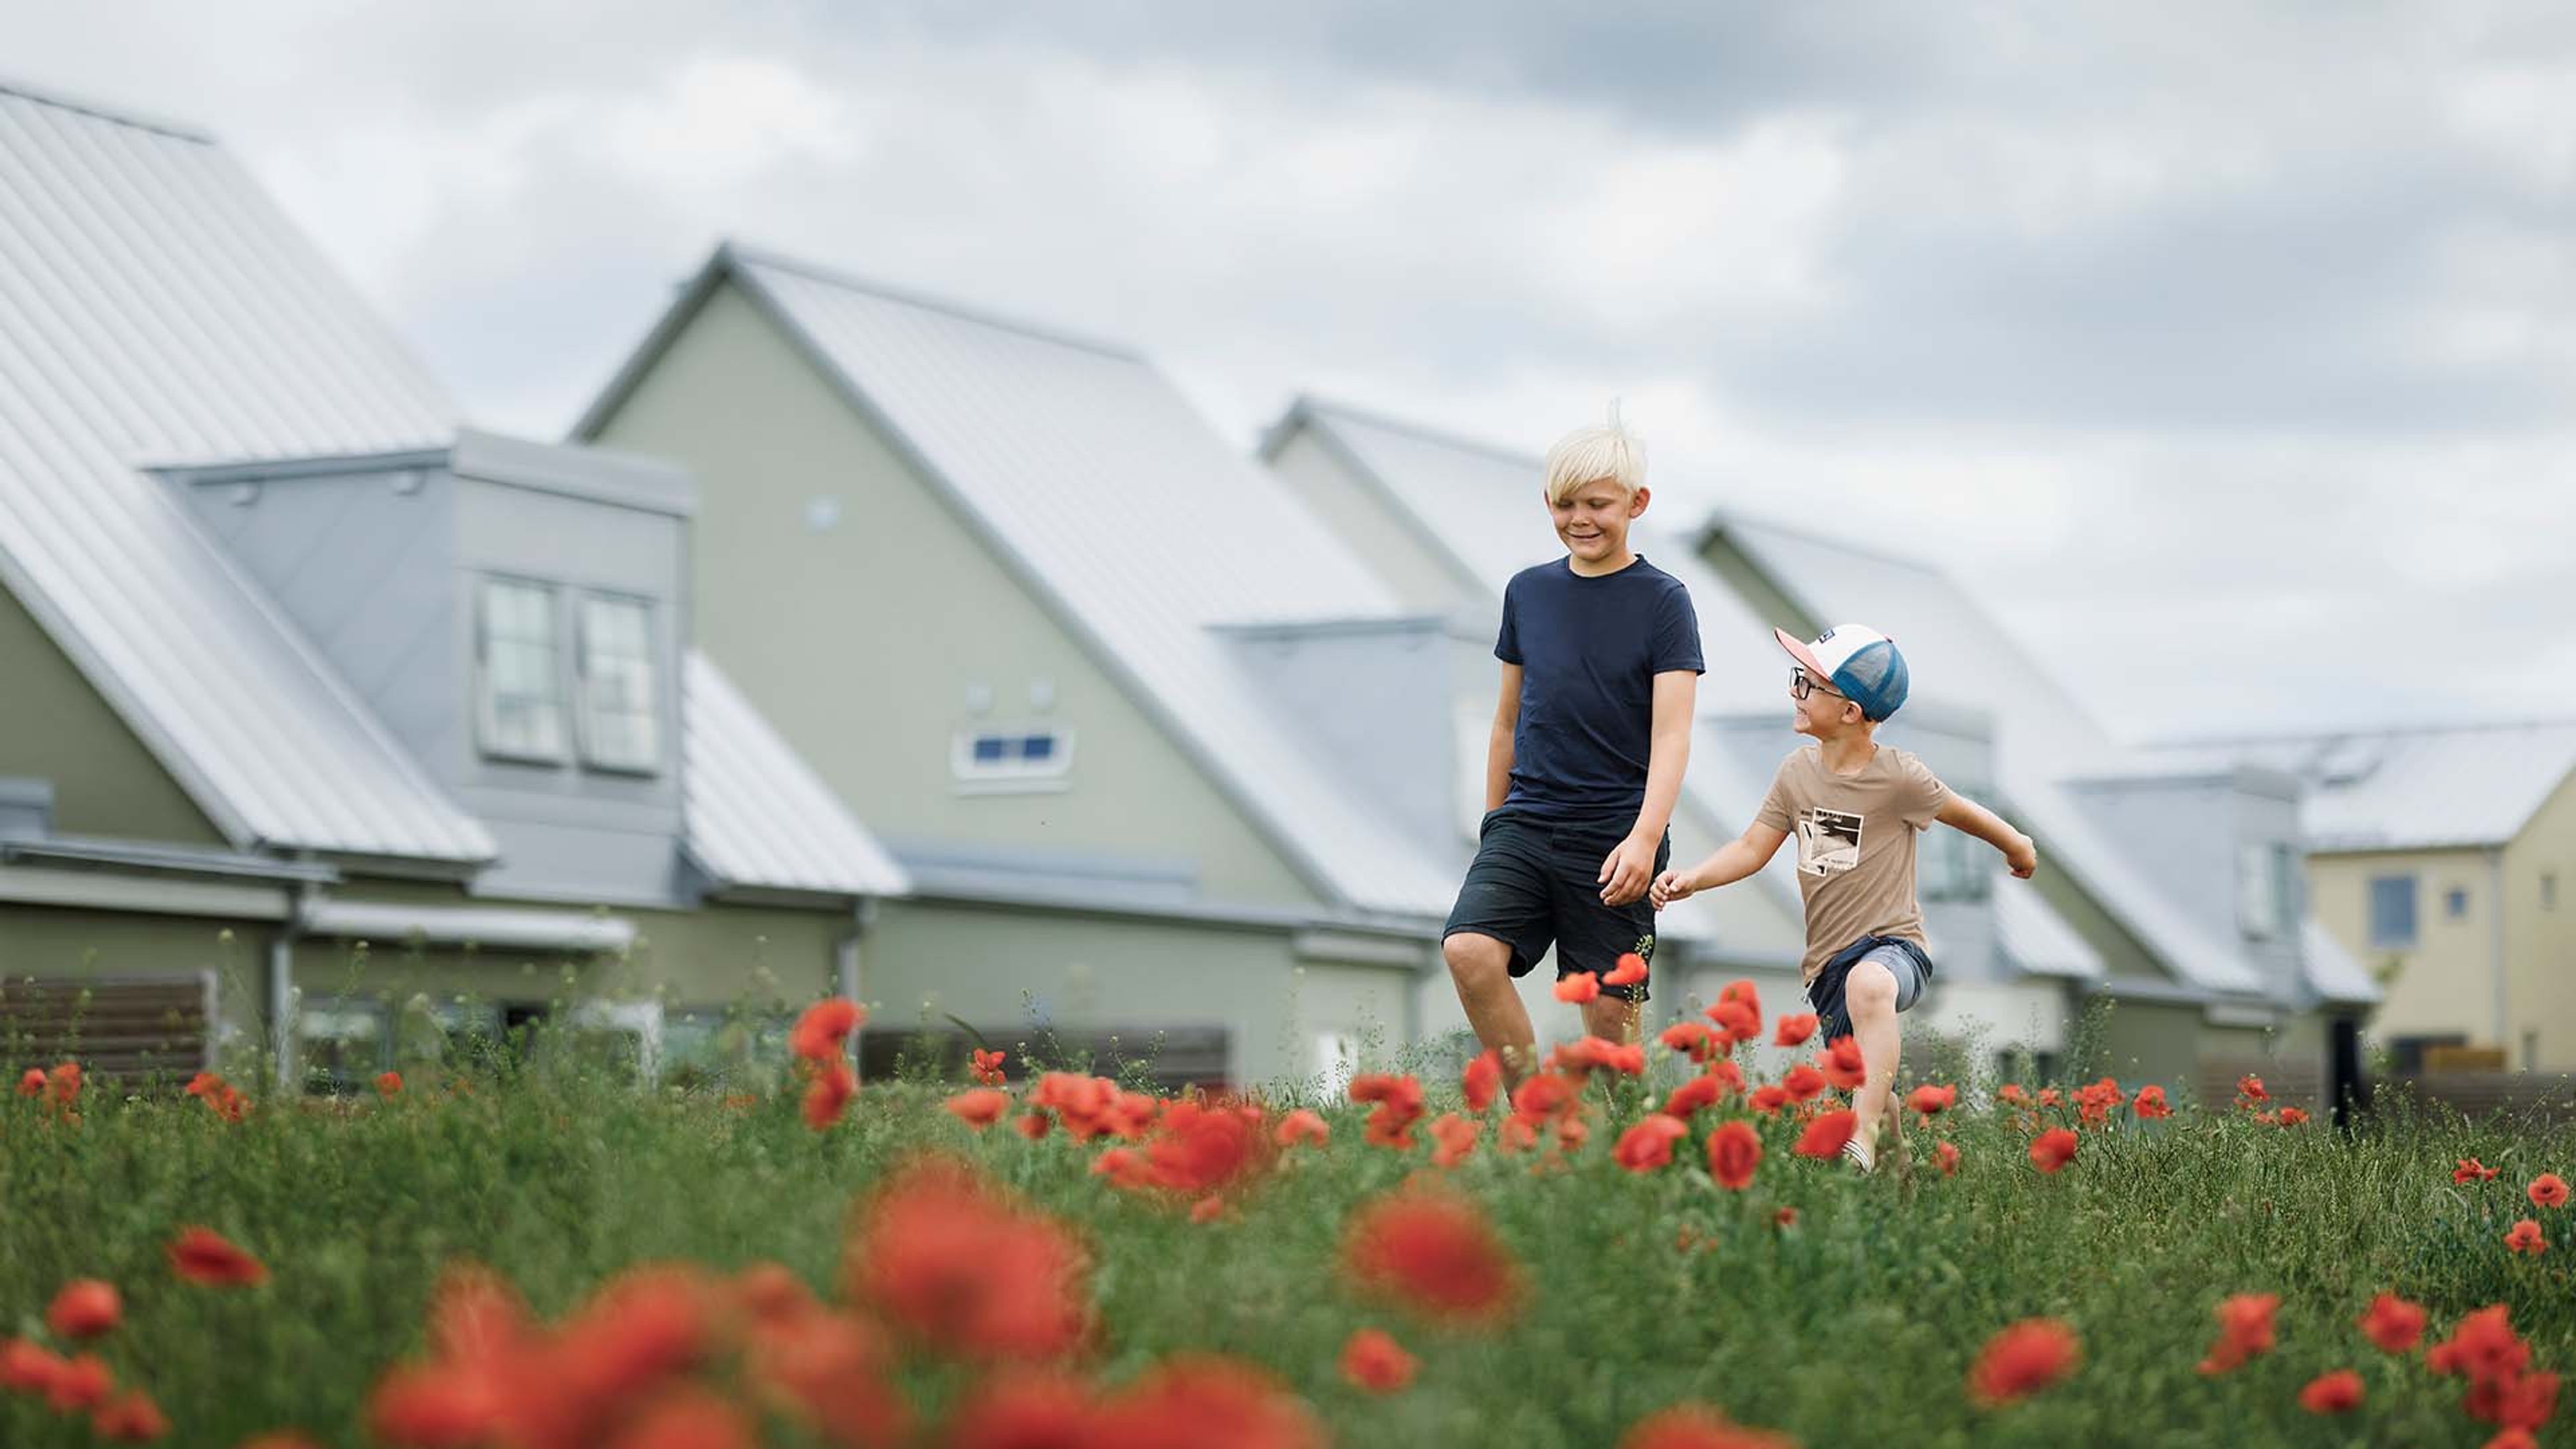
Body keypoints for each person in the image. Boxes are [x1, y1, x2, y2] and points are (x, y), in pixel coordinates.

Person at [1651, 624, 2038, 1171]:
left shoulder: (1899, 776)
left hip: (1894, 949)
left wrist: (2018, 846)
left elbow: (1963, 811)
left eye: (1807, 684)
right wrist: (1693, 878)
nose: (1794, 691)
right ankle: (1901, 1178)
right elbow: (1751, 847)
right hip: (1827, 967)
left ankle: (1863, 1136)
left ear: (1852, 711)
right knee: (1863, 1081)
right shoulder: (1796, 774)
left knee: (1870, 985)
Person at [1440, 405, 1701, 1087]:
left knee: (1611, 1028)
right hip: (1525, 822)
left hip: (1616, 834)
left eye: (1597, 504)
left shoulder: (1664, 601)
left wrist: (1645, 839)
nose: (1579, 519)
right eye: (1563, 505)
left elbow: (1672, 733)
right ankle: (1542, 1118)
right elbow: (1507, 720)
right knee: (1468, 951)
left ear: (1636, 504)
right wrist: (1495, 822)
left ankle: (1626, 1166)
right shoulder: (1528, 593)